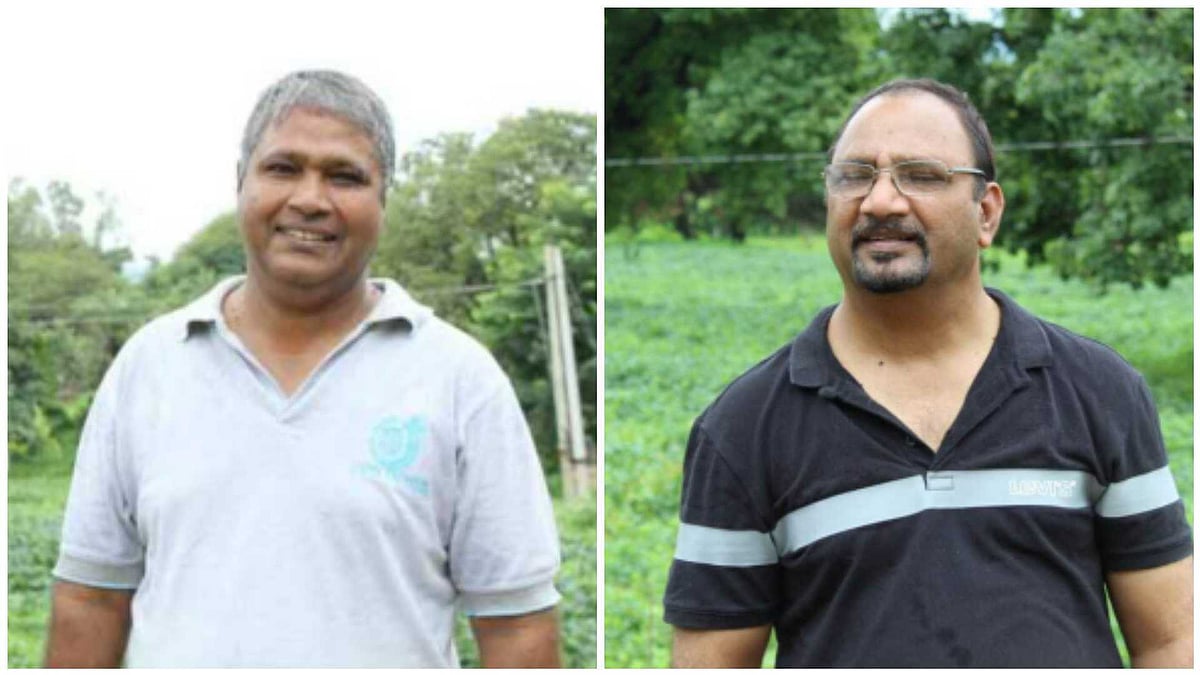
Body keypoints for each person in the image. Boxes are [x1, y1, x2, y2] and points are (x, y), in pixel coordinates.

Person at [663, 78, 1193, 668]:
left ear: (986, 211)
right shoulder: (742, 429)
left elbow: (1171, 642)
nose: (881, 201)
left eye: (921, 174)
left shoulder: (1101, 392)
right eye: (855, 174)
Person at [45, 70, 562, 668]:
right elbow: (91, 599)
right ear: (242, 183)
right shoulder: (149, 366)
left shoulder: (458, 380)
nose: (311, 199)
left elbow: (518, 627)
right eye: (283, 168)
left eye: (345, 176)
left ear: (382, 199)